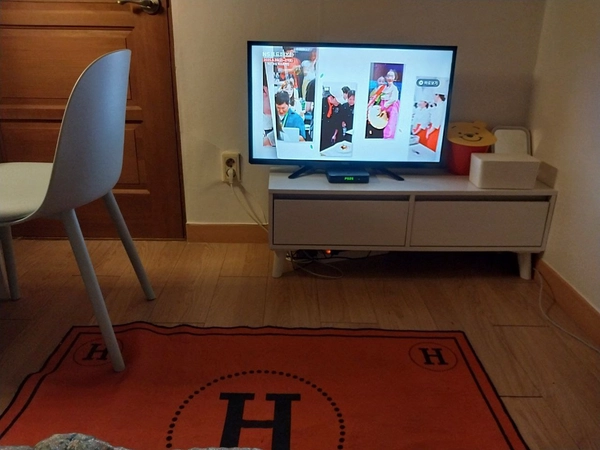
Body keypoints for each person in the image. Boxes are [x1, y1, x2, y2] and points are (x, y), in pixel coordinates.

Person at [379, 69, 400, 139]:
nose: (389, 78)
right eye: (388, 76)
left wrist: (385, 105)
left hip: (392, 108)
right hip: (384, 108)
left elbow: (393, 99)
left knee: (390, 125)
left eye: (391, 76)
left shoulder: (394, 88)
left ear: (395, 78)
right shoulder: (384, 88)